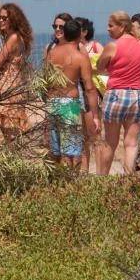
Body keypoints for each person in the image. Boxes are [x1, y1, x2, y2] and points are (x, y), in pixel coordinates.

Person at [96, 11, 140, 175]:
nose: (108, 29)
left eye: (111, 26)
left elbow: (100, 66)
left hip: (116, 94)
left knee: (110, 143)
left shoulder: (113, 46)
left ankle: (102, 180)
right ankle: (129, 180)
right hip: (138, 95)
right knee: (132, 142)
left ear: (121, 27)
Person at [44, 18, 99, 169]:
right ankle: (70, 185)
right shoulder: (79, 57)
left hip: (52, 103)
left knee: (55, 151)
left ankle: (57, 183)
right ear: (79, 35)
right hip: (69, 105)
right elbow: (89, 88)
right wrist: (94, 115)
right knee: (72, 152)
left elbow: (45, 80)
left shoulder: (51, 53)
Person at [0, 2, 34, 143]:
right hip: (11, 85)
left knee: (11, 130)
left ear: (13, 19)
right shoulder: (11, 37)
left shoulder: (13, 38)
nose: (1, 21)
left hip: (10, 87)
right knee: (8, 129)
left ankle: (13, 159)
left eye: (5, 18)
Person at [75, 16, 105, 173]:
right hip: (77, 93)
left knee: (95, 135)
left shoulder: (95, 46)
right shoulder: (72, 47)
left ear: (84, 31)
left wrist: (89, 70)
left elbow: (106, 67)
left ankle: (100, 173)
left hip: (91, 92)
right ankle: (85, 171)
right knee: (83, 137)